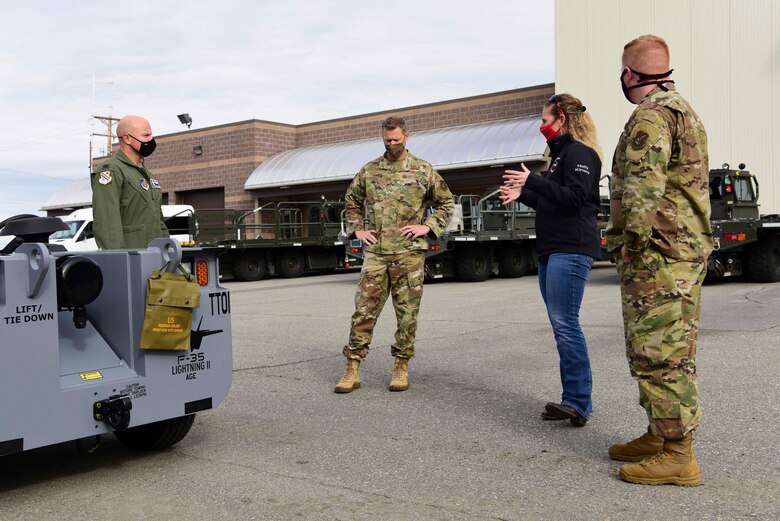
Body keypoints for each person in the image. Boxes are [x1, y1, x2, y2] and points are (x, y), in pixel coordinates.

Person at [604, 35, 712, 486]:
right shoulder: (682, 108)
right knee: (666, 348)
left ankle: (678, 455)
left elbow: (643, 186)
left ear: (630, 73)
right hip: (680, 252)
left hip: (660, 256)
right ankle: (659, 433)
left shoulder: (650, 115)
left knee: (660, 353)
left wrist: (630, 241)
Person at [500, 93, 602, 427]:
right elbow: (553, 201)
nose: (541, 126)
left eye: (545, 120)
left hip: (570, 249)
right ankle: (571, 399)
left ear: (562, 119)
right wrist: (525, 193)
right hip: (552, 250)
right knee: (562, 326)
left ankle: (578, 402)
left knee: (566, 323)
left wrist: (535, 181)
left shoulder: (580, 154)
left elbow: (574, 199)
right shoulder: (559, 159)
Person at [335, 116, 454, 393]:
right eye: (387, 140)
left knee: (407, 314)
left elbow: (447, 202)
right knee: (363, 312)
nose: (392, 144)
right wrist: (357, 230)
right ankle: (352, 368)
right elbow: (351, 201)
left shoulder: (423, 170)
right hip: (376, 253)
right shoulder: (369, 170)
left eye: (396, 140)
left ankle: (401, 365)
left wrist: (427, 225)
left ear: (407, 136)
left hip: (409, 254)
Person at [91, 115, 168, 249]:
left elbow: (158, 220)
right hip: (132, 258)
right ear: (127, 138)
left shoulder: (147, 175)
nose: (151, 140)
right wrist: (119, 260)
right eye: (146, 135)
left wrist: (168, 250)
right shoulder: (111, 171)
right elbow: (107, 223)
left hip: (156, 257)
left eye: (151, 135)